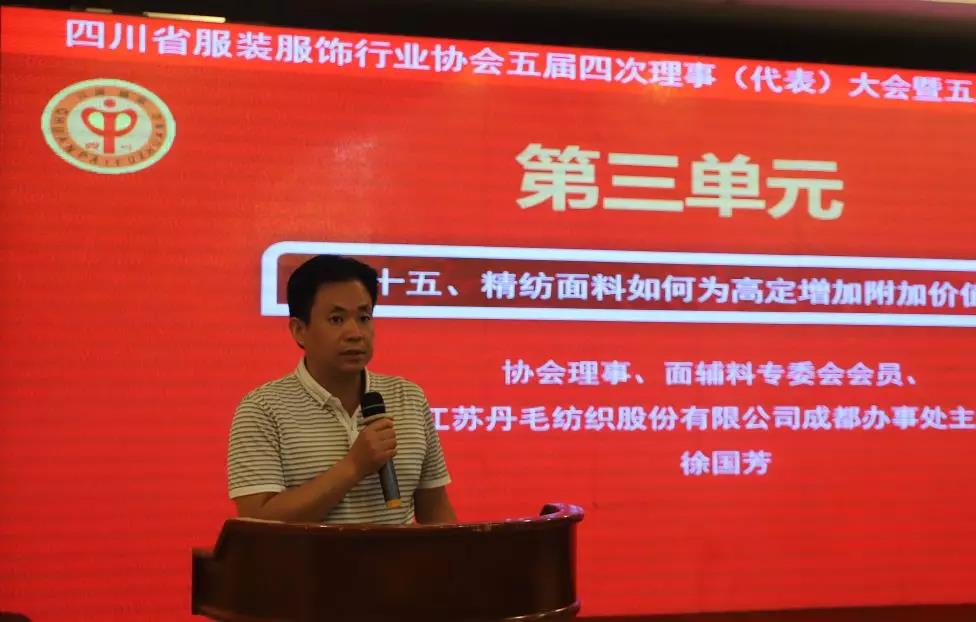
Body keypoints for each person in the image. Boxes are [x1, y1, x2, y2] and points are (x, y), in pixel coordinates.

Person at [227, 254, 456, 524]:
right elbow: (257, 524)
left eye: (364, 317)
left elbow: (435, 509)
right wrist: (354, 466)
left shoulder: (408, 397)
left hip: (397, 554)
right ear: (299, 330)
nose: (355, 333)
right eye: (336, 319)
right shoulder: (262, 410)